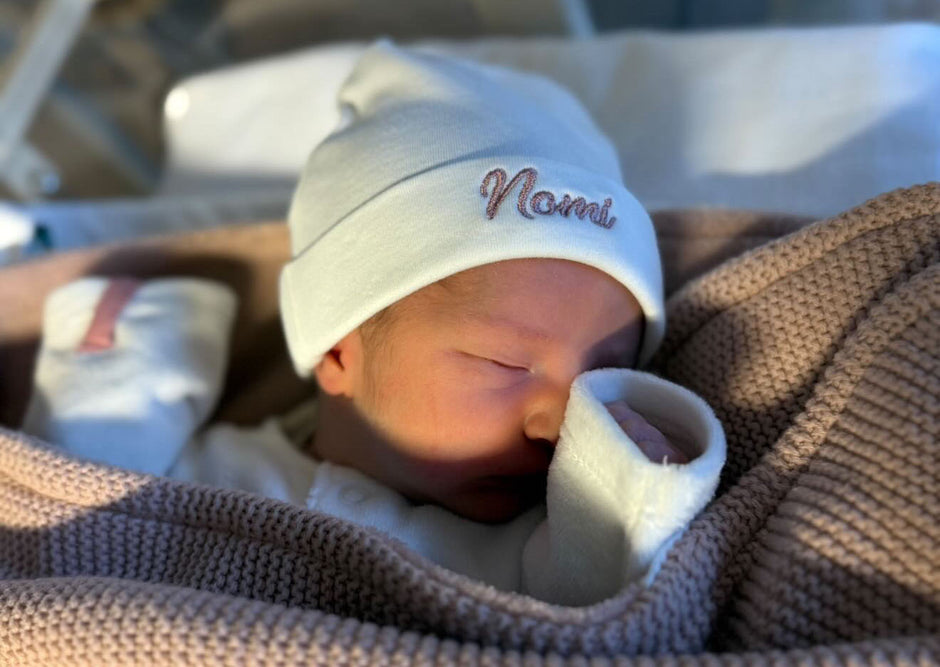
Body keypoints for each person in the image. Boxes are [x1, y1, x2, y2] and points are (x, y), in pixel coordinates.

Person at [22, 39, 725, 607]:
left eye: (606, 377)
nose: (560, 423)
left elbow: (612, 608)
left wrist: (631, 491)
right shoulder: (204, 475)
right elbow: (55, 524)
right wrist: (122, 344)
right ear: (337, 347)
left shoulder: (533, 553)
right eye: (508, 363)